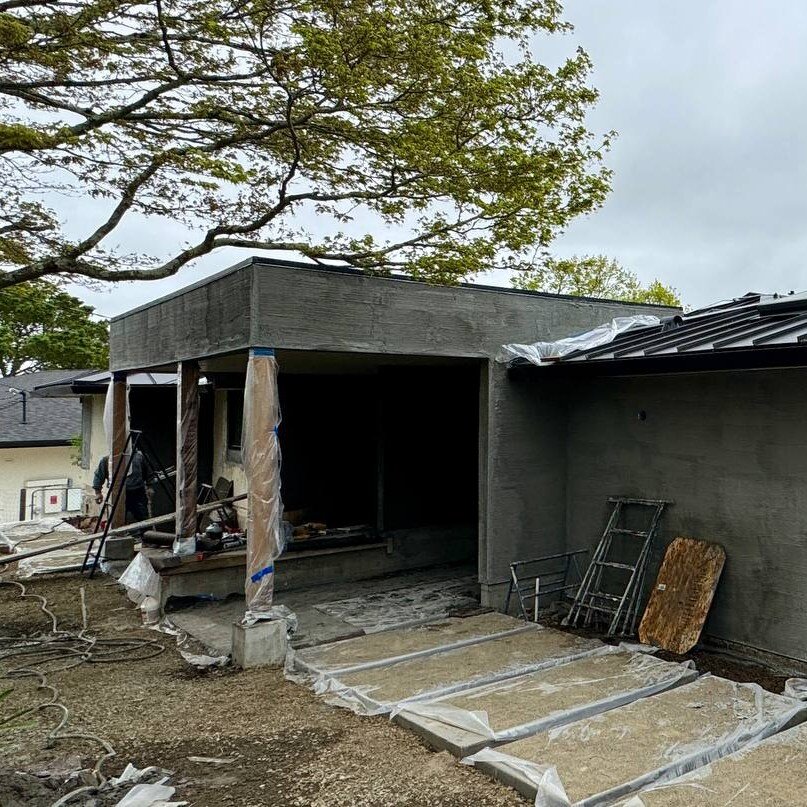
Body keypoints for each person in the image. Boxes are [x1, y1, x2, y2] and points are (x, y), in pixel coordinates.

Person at [93, 450, 150, 524]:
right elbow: (99, 476)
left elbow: (148, 473)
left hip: (137, 492)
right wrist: (98, 493)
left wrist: (149, 487)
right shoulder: (108, 459)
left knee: (143, 518)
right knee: (117, 519)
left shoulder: (139, 456)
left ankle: (144, 533)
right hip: (117, 494)